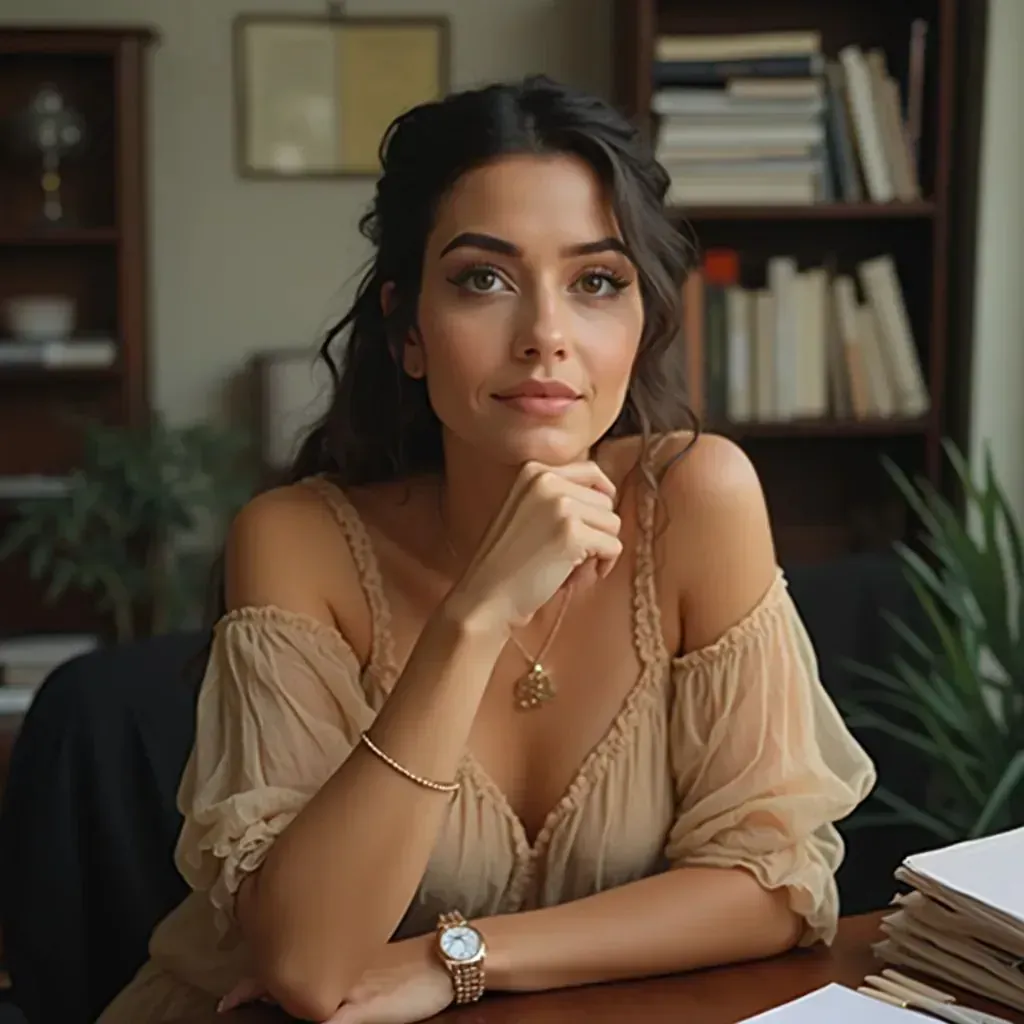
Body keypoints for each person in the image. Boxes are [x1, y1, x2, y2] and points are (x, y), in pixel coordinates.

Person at [98, 75, 876, 1024]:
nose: (545, 335)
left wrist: (456, 958)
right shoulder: (295, 538)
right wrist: (476, 615)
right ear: (409, 331)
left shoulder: (698, 499)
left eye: (596, 282)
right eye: (484, 279)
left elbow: (773, 886)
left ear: (642, 321)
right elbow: (306, 967)